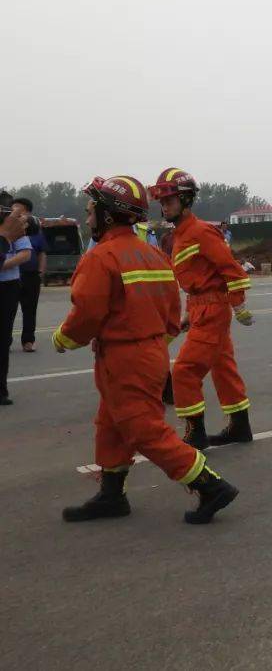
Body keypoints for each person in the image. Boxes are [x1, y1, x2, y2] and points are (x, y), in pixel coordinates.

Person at [53, 175, 238, 525]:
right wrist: (155, 344)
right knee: (109, 423)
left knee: (144, 430)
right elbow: (171, 314)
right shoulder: (154, 254)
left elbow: (86, 313)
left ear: (108, 215)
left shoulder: (102, 257)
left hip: (124, 358)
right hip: (149, 352)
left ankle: (211, 485)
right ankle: (111, 494)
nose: (88, 217)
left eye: (92, 211)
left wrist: (63, 339)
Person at [149, 168, 255, 449]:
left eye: (169, 200)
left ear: (185, 200)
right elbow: (193, 280)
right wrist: (188, 312)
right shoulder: (180, 235)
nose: (164, 206)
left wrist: (239, 304)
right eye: (162, 201)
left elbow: (231, 271)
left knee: (184, 370)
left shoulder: (201, 232)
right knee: (223, 368)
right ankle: (240, 427)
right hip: (200, 307)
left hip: (212, 309)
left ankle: (195, 434)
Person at [0, 193, 32, 405]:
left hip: (7, 286)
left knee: (3, 338)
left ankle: (1, 390)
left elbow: (26, 253)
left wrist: (3, 265)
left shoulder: (12, 225)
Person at [13, 198, 47, 352]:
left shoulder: (36, 230)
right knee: (7, 310)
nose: (13, 210)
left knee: (30, 310)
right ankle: (5, 341)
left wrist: (40, 272)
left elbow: (42, 253)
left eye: (16, 207)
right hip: (11, 276)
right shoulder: (8, 228)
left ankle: (28, 341)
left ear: (26, 211)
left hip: (31, 276)